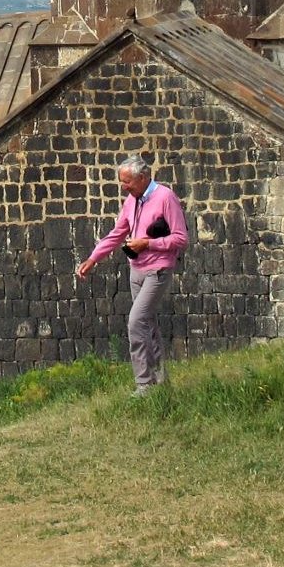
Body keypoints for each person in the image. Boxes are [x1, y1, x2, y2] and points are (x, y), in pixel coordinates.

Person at [76, 155, 190, 394]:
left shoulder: (165, 198)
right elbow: (118, 233)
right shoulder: (131, 200)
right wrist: (93, 258)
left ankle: (144, 384)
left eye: (127, 182)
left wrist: (147, 244)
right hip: (136, 269)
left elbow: (181, 238)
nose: (124, 187)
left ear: (143, 177)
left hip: (158, 269)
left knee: (136, 322)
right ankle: (161, 381)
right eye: (122, 182)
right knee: (148, 324)